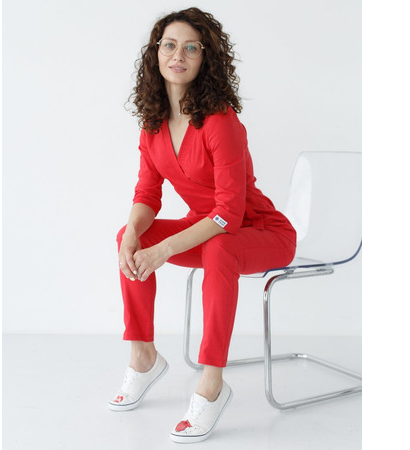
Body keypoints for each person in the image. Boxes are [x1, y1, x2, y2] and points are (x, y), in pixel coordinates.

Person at [109, 7, 296, 443]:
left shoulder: (219, 119)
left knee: (219, 245)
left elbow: (228, 212)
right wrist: (135, 234)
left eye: (191, 48)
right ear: (156, 54)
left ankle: (212, 383)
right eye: (170, 45)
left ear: (204, 58)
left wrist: (164, 250)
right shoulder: (153, 124)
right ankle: (143, 356)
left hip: (261, 231)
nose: (179, 55)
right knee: (128, 238)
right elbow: (147, 194)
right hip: (205, 228)